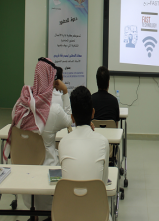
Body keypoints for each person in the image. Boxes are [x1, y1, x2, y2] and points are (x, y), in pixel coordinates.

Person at [4, 58, 72, 220]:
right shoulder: (53, 111)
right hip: (48, 180)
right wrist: (65, 93)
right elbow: (71, 122)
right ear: (51, 79)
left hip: (24, 179)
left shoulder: (20, 106)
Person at [58, 86, 110, 219]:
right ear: (93, 113)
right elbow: (102, 184)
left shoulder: (63, 143)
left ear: (72, 118)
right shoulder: (103, 142)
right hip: (95, 214)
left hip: (67, 215)